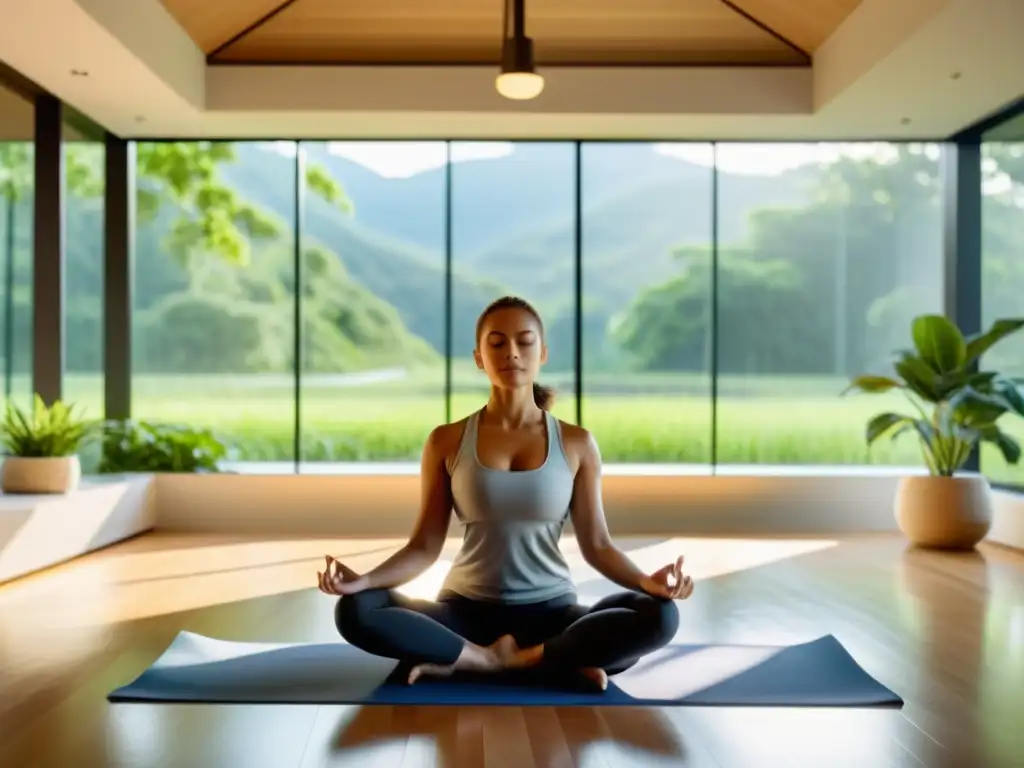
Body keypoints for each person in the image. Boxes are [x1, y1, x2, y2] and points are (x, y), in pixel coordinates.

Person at [317, 295, 694, 691]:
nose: (511, 352)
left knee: (659, 615)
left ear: (542, 353)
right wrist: (364, 582)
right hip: (464, 615)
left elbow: (598, 545)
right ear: (479, 357)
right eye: (496, 343)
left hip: (551, 614)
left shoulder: (577, 443)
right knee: (356, 610)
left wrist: (647, 583)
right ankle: (506, 658)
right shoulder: (446, 441)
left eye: (524, 341)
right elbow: (425, 545)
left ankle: (506, 657)